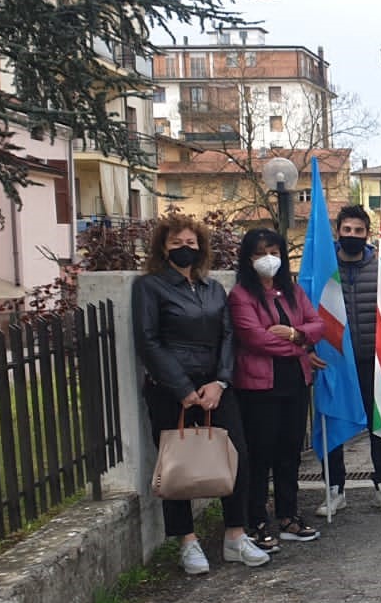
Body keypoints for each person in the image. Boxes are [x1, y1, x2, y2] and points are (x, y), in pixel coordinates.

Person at [132, 214, 269, 573]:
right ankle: (187, 542)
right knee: (176, 465)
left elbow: (228, 336)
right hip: (170, 390)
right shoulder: (148, 287)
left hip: (216, 388)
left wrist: (220, 382)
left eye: (190, 243)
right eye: (176, 242)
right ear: (163, 247)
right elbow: (148, 340)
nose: (184, 248)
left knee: (236, 456)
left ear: (201, 247)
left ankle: (235, 537)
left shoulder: (212, 288)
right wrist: (183, 389)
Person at [229, 229, 325, 552]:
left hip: (295, 383)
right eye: (259, 252)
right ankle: (255, 520)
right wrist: (300, 343)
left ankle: (288, 516)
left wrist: (295, 335)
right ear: (248, 258)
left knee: (289, 453)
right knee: (260, 455)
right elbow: (255, 339)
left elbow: (318, 326)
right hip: (259, 389)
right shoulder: (242, 295)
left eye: (272, 250)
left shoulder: (292, 291)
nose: (267, 258)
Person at [316, 204, 381, 516]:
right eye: (346, 230)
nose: (352, 235)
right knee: (334, 423)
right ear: (338, 231)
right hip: (336, 363)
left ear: (367, 234)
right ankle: (335, 489)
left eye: (359, 231)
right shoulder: (325, 269)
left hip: (373, 362)